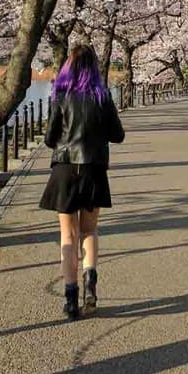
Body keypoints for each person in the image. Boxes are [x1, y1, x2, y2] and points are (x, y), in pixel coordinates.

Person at [40, 45, 125, 320]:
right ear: (94, 68)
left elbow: (50, 138)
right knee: (89, 231)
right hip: (94, 170)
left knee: (68, 236)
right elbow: (118, 135)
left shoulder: (61, 97)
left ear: (69, 67)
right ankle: (91, 285)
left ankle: (70, 299)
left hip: (65, 169)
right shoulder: (102, 97)